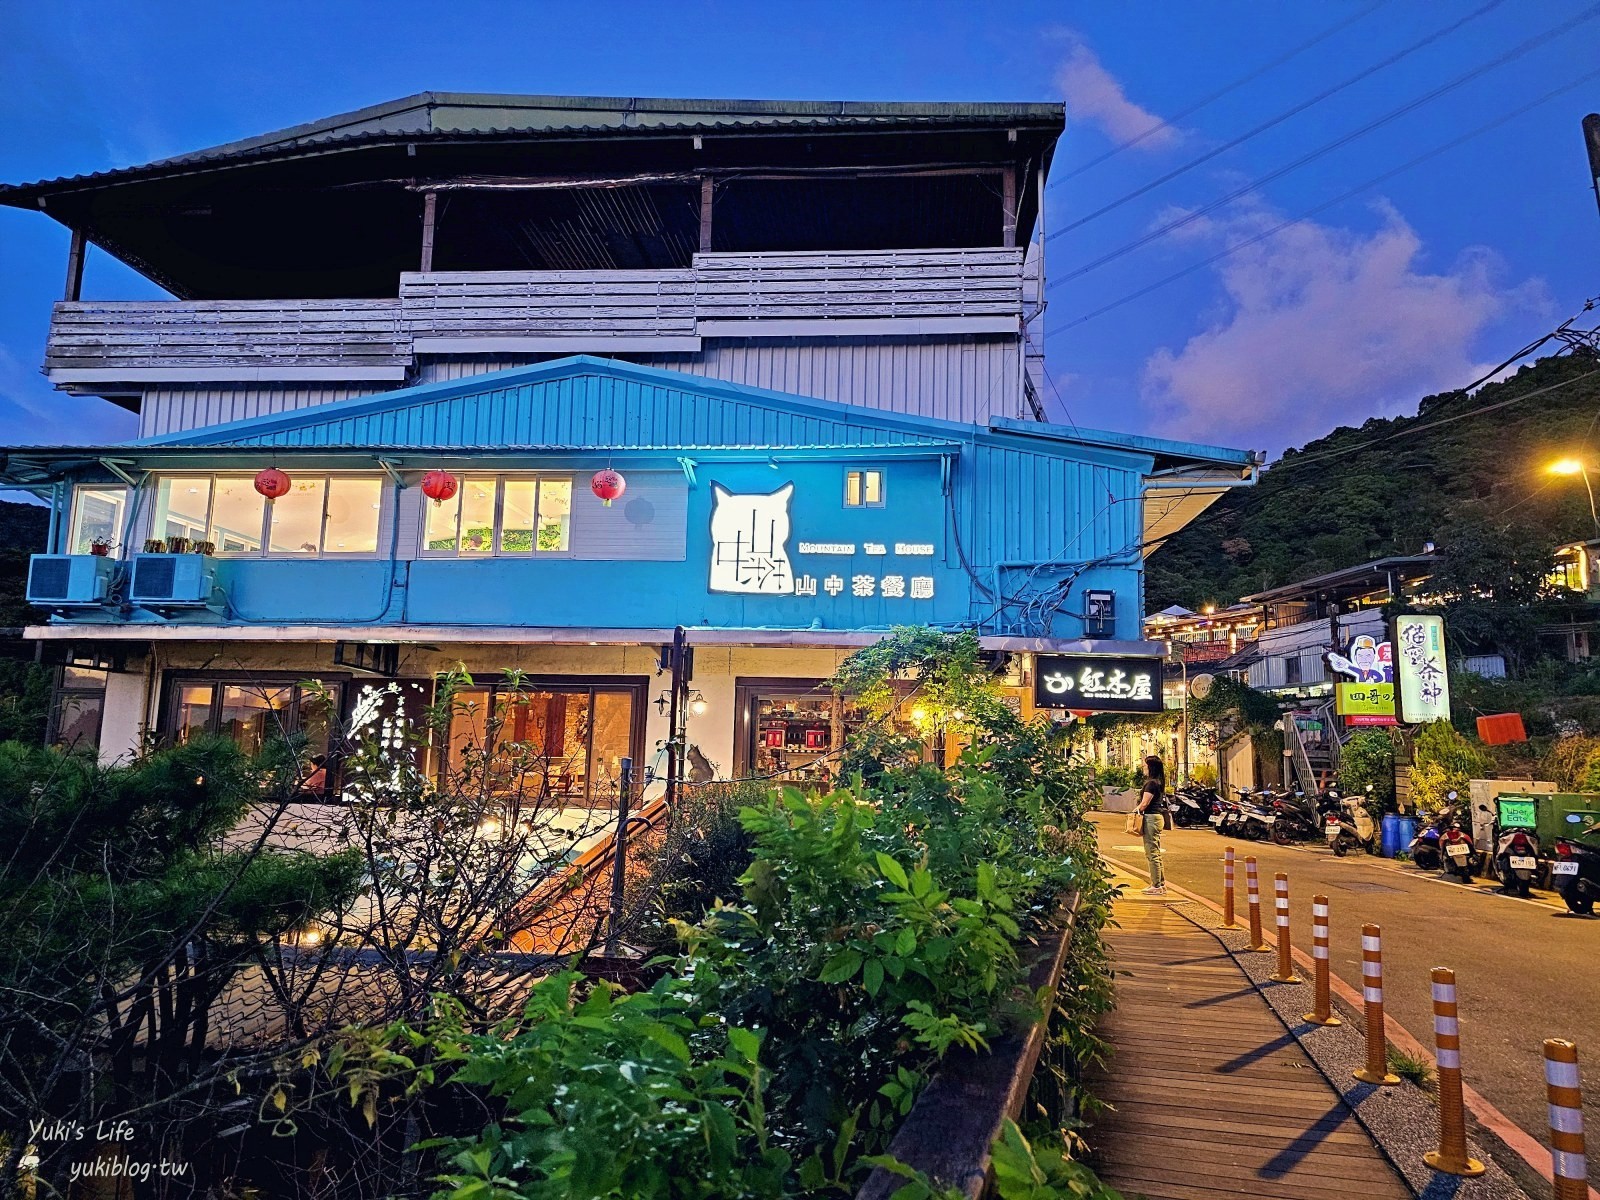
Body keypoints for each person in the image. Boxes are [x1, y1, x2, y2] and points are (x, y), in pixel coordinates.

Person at [1137, 754, 1168, 896]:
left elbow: (1144, 804)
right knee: (1155, 851)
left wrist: (1134, 812)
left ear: (1150, 767)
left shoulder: (1151, 784)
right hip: (1157, 818)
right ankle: (1160, 884)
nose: (1143, 767)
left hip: (1151, 818)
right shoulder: (1158, 782)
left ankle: (1156, 885)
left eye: (1144, 765)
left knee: (1151, 853)